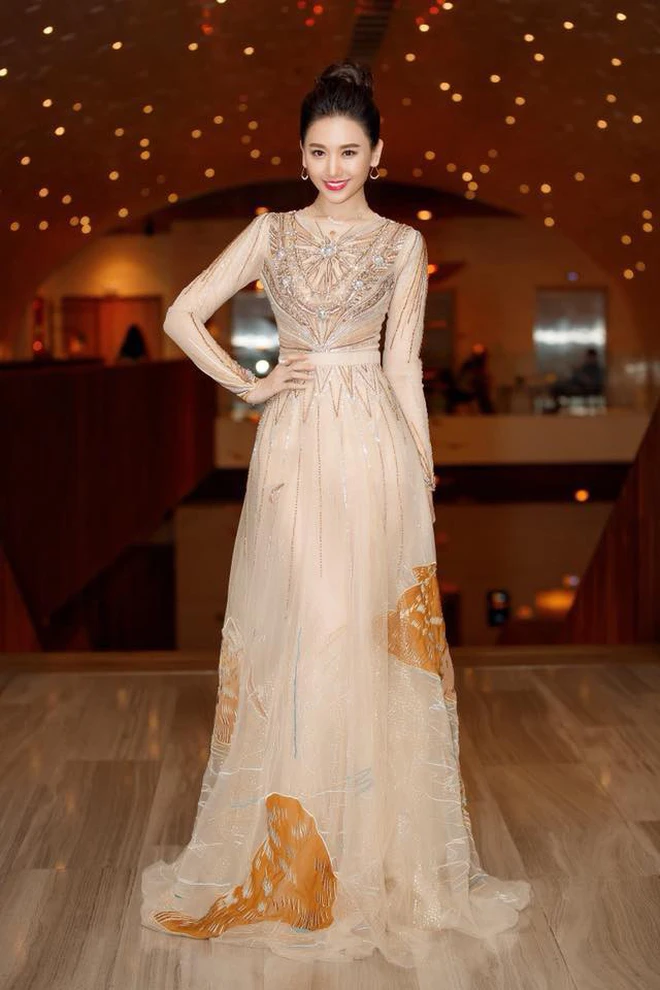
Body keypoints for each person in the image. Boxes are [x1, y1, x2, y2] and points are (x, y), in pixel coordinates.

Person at [141, 59, 531, 967]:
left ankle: (366, 859)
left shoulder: (401, 246)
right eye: (318, 151)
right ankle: (296, 861)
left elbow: (403, 367)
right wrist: (251, 382)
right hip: (294, 445)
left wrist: (422, 473)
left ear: (378, 153)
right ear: (301, 153)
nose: (333, 167)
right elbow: (182, 313)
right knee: (304, 633)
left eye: (349, 151)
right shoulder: (271, 233)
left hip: (375, 452)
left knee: (364, 637)